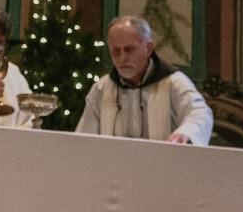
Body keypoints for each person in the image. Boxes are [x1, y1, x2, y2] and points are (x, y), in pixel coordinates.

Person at [75, 15, 213, 145]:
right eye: (116, 51)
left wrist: (185, 133)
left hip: (162, 167)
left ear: (148, 48)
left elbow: (199, 113)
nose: (122, 58)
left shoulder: (173, 83)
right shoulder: (102, 89)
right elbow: (84, 140)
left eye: (129, 50)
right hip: (114, 168)